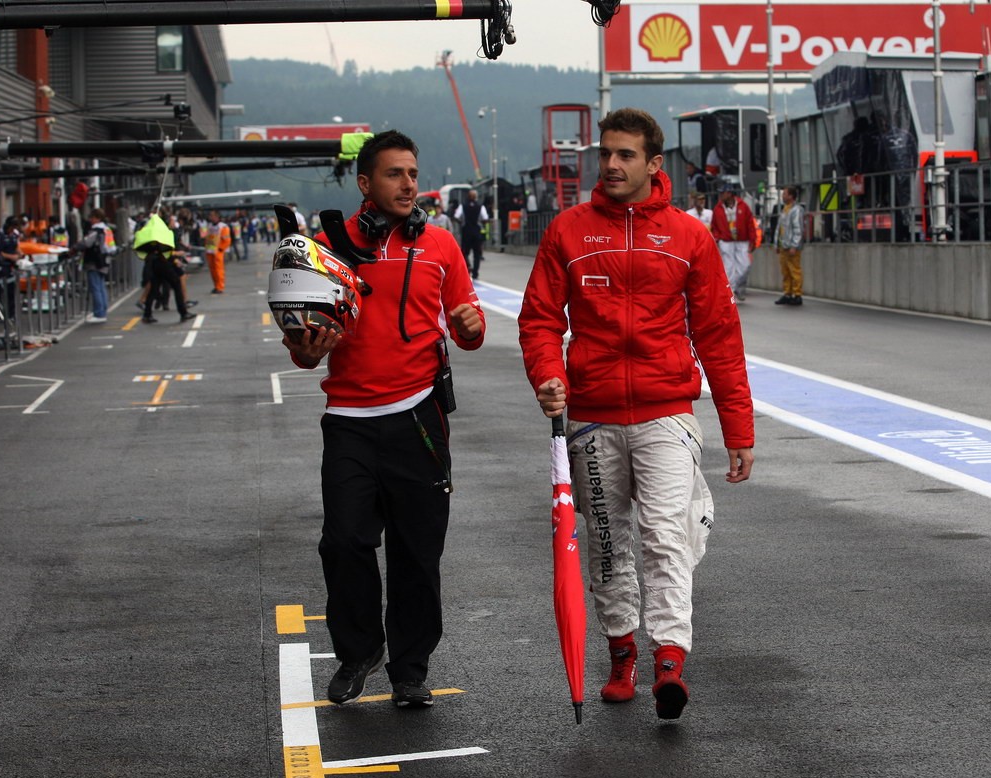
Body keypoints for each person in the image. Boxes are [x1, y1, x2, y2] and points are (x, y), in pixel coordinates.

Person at [519, 108, 755, 722]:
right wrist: (548, 373)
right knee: (605, 544)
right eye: (607, 154)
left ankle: (669, 660)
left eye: (626, 155)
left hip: (665, 414)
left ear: (655, 164)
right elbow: (540, 318)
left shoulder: (688, 236)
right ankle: (621, 652)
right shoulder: (568, 231)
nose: (612, 165)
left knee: (666, 537)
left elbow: (719, 335)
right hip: (592, 417)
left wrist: (739, 431)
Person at [282, 129, 486, 709]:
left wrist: (471, 328)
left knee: (417, 551)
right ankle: (358, 651)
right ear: (365, 183)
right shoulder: (323, 245)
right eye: (395, 174)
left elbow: (467, 323)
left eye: (414, 174)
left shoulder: (442, 247)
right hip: (347, 418)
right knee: (344, 541)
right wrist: (309, 349)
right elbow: (300, 347)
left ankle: (411, 670)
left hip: (419, 416)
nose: (409, 185)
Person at [711, 182, 756, 302]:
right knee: (728, 268)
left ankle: (738, 287)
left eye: (723, 193)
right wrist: (717, 238)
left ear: (729, 193)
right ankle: (730, 293)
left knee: (745, 266)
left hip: (742, 240)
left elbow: (750, 223)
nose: (720, 195)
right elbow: (714, 226)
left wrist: (753, 240)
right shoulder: (718, 208)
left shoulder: (743, 206)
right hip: (726, 241)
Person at [78, 209, 114, 323]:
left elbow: (87, 243)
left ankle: (99, 313)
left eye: (92, 217)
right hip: (105, 260)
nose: (90, 220)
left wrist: (76, 246)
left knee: (95, 287)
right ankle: (103, 310)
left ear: (97, 218)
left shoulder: (96, 230)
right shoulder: (107, 229)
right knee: (101, 286)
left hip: (94, 261)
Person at [774, 186, 806, 306]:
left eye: (785, 194)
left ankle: (797, 294)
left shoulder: (796, 210)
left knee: (795, 270)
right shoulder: (785, 210)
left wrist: (794, 245)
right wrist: (777, 243)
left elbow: (798, 229)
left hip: (791, 246)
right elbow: (779, 228)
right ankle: (787, 293)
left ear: (791, 196)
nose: (783, 196)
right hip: (784, 246)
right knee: (785, 271)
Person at [454, 189, 488, 280]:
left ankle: (468, 266)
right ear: (476, 197)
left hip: (466, 232)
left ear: (468, 196)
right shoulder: (480, 207)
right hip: (477, 232)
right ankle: (476, 273)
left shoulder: (463, 206)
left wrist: (462, 223)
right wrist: (481, 223)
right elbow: (485, 218)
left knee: (464, 252)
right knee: (477, 254)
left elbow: (456, 216)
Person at [204, 209, 231, 294]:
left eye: (212, 215)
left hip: (218, 252)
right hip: (210, 251)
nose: (210, 217)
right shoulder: (210, 226)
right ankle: (216, 286)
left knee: (219, 270)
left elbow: (227, 240)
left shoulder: (223, 227)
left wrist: (221, 249)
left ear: (217, 216)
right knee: (213, 270)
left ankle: (220, 287)